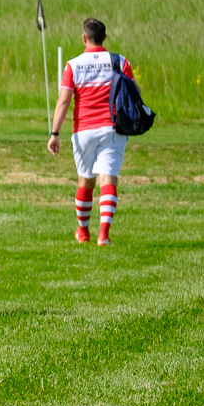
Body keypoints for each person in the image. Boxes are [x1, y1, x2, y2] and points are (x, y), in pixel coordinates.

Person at [48, 17, 135, 246]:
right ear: (105, 38)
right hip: (112, 128)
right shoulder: (120, 61)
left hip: (83, 130)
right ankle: (104, 234)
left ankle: (83, 231)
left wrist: (54, 133)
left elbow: (64, 100)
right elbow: (132, 94)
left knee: (86, 180)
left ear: (84, 38)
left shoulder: (73, 65)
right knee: (108, 179)